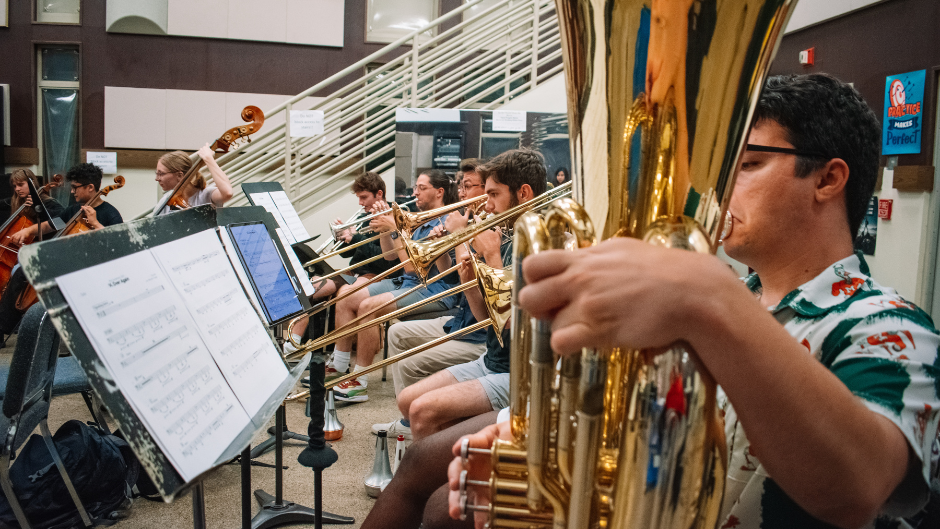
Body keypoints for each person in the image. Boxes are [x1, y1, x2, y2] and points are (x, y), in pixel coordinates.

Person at [450, 74, 940, 529]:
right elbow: (659, 456)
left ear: (828, 179)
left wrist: (711, 296)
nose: (721, 189)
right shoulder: (709, 303)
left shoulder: (887, 324)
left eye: (747, 164)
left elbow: (859, 488)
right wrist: (550, 461)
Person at [400, 149, 546, 440]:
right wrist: (469, 284)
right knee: (407, 401)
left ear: (524, 192)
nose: (487, 206)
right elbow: (486, 318)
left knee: (422, 411)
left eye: (493, 194)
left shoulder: (540, 248)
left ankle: (435, 474)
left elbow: (514, 329)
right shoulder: (505, 238)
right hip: (492, 360)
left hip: (520, 375)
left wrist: (490, 255)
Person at [372, 159, 492, 439]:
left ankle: (416, 419)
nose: (461, 193)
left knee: (407, 359)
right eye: (460, 186)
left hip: (476, 329)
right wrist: (443, 249)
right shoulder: (465, 220)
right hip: (462, 316)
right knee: (398, 333)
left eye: (467, 186)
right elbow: (444, 271)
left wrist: (459, 238)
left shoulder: (484, 226)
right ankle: (409, 419)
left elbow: (464, 283)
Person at [329, 169, 458, 402]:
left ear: (439, 192)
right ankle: (339, 365)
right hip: (409, 283)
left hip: (435, 289)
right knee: (346, 295)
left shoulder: (447, 221)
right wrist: (385, 229)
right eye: (415, 187)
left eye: (421, 188)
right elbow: (390, 256)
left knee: (369, 306)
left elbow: (411, 267)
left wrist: (396, 229)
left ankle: (359, 381)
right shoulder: (421, 218)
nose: (415, 192)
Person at [1, 163, 124, 336]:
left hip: (91, 268)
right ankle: (5, 327)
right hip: (67, 263)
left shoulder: (110, 213)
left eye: (75, 188)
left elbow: (119, 243)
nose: (72, 192)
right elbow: (50, 225)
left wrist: (96, 224)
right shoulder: (73, 210)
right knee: (23, 272)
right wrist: (28, 230)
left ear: (90, 187)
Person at [286, 171, 398, 353]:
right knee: (308, 286)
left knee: (345, 295)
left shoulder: (393, 216)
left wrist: (354, 238)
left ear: (379, 194)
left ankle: (339, 356)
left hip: (377, 275)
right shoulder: (365, 217)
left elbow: (385, 259)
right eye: (359, 198)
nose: (361, 203)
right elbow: (349, 254)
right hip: (353, 272)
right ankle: (292, 343)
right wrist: (343, 237)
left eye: (364, 197)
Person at [152, 143, 234, 215]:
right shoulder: (166, 200)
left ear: (179, 176)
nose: (157, 178)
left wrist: (208, 159)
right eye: (157, 173)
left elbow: (227, 193)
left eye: (161, 173)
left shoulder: (206, 195)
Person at [0, 169, 65, 226]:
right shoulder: (15, 200)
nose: (17, 189)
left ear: (32, 183)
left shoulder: (47, 201)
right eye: (15, 186)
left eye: (20, 184)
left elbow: (62, 216)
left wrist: (38, 207)